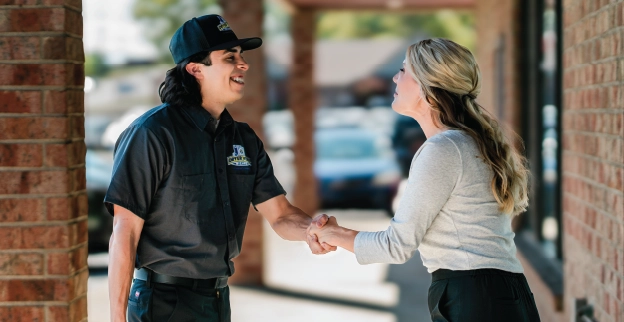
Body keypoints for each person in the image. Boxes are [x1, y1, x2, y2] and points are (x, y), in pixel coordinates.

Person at [104, 14, 334, 322]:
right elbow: (125, 231)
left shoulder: (244, 139)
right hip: (163, 303)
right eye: (230, 57)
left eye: (241, 56)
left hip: (216, 299)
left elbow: (279, 214)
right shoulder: (152, 133)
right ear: (196, 69)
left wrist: (309, 231)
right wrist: (117, 318)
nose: (244, 65)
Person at [310, 38, 541, 322]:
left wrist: (330, 233)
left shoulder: (443, 149)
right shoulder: (465, 143)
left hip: (475, 297)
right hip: (496, 293)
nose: (395, 77)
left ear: (427, 88)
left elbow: (396, 245)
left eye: (404, 70)